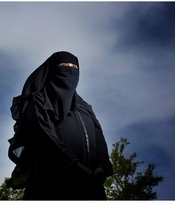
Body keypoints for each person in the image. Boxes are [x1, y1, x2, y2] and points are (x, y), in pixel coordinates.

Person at [6, 51, 113, 200]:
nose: (69, 69)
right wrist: (73, 165)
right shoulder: (39, 102)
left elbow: (99, 138)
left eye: (74, 66)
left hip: (90, 185)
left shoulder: (84, 108)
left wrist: (103, 166)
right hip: (50, 183)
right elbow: (44, 135)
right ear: (52, 70)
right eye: (64, 65)